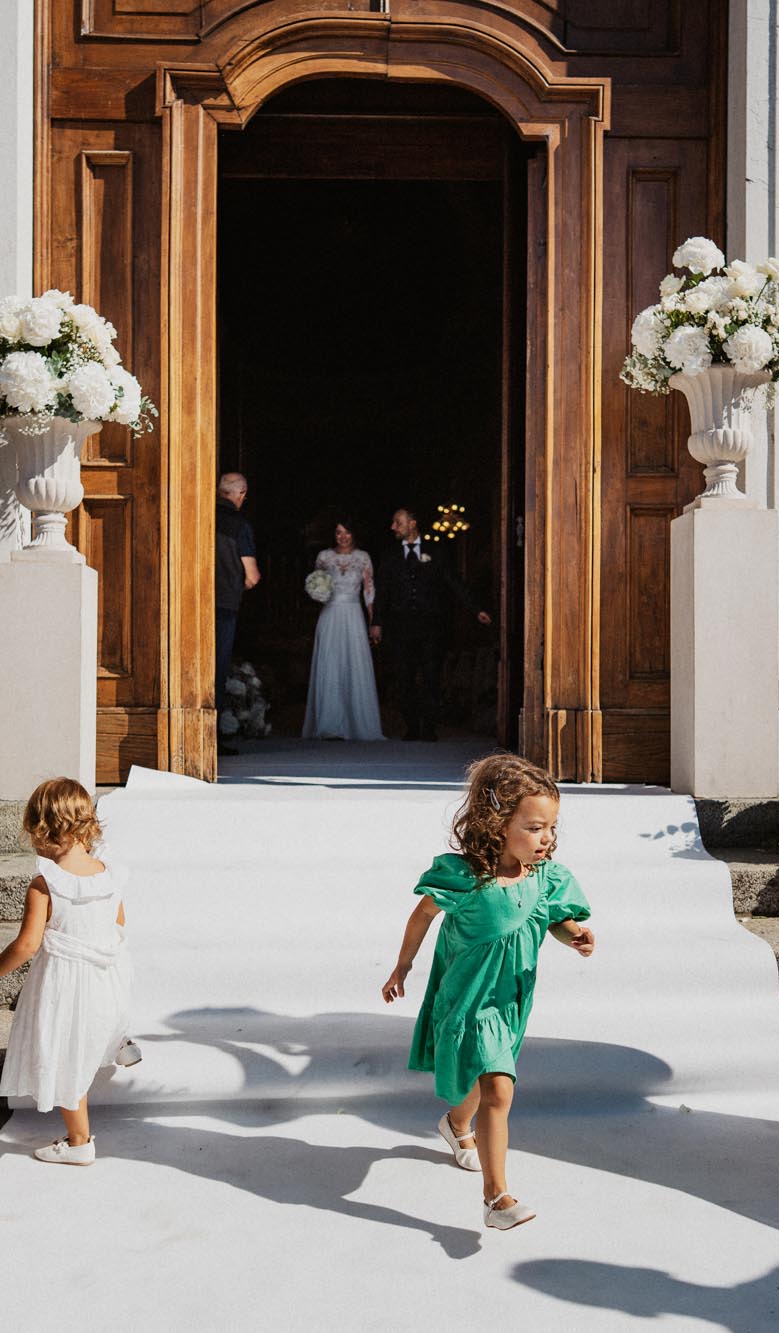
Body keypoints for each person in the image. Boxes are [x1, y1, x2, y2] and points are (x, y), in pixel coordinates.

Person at [382, 753, 595, 1230]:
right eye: (535, 827)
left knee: (484, 1082)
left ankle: (457, 1125)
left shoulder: (546, 880)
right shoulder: (464, 878)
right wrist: (402, 966)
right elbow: (422, 915)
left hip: (509, 1000)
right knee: (498, 1088)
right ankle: (496, 1199)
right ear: (497, 824)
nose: (547, 839)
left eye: (551, 829)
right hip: (466, 999)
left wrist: (574, 934)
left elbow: (554, 919)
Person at [0, 777, 137, 1165]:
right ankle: (116, 1048)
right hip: (104, 979)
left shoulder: (45, 884)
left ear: (43, 830)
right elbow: (118, 926)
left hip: (64, 984)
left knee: (65, 1056)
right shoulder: (111, 875)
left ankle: (79, 1144)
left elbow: (26, 946)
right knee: (81, 1048)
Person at [369, 507, 491, 742]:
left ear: (412, 523)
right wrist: (377, 623)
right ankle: (412, 726)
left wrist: (477, 609)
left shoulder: (436, 551)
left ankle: (429, 726)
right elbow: (382, 591)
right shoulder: (390, 555)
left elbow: (454, 583)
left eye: (398, 522)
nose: (393, 527)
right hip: (400, 625)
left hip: (431, 626)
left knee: (431, 676)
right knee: (404, 677)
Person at [301, 520, 384, 741]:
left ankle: (358, 723)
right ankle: (329, 723)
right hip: (330, 614)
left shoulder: (363, 557)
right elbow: (317, 584)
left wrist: (373, 621)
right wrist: (317, 593)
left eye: (347, 532)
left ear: (354, 534)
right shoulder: (324, 557)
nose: (343, 536)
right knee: (330, 662)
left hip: (353, 614)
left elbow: (369, 591)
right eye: (338, 532)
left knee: (354, 662)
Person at [213, 472, 260, 756]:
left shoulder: (197, 515)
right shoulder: (239, 525)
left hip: (191, 601)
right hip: (224, 604)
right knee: (216, 669)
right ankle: (211, 739)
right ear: (240, 494)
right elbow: (252, 576)